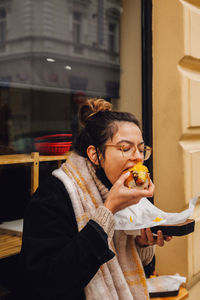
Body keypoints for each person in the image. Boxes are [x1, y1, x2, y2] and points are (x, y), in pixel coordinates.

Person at [20, 98, 172, 300]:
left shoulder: (124, 191)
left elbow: (136, 269)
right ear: (95, 154)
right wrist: (108, 211)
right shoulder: (53, 195)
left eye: (141, 148)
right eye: (126, 148)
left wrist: (142, 244)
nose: (137, 157)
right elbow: (50, 281)